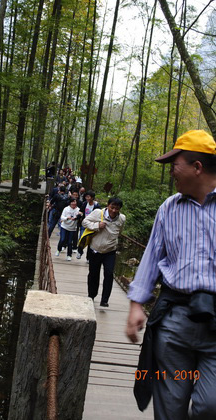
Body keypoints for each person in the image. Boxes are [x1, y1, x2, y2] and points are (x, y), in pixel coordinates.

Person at [126, 130, 216, 420]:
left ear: (197, 167)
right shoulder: (169, 208)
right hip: (174, 321)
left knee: (209, 406)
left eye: (175, 165)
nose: (171, 174)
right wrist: (136, 305)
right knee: (170, 406)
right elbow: (152, 257)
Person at [82, 197, 125, 307]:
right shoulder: (98, 213)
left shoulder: (122, 219)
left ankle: (104, 300)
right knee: (93, 274)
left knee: (109, 274)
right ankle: (91, 295)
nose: (114, 211)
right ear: (108, 205)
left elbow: (120, 231)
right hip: (95, 249)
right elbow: (85, 222)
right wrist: (96, 226)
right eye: (112, 207)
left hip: (110, 251)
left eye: (117, 208)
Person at [77, 190, 101, 259]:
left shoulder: (96, 205)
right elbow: (81, 211)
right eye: (86, 197)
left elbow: (99, 215)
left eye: (88, 197)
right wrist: (79, 215)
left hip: (92, 225)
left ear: (92, 197)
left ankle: (88, 257)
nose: (87, 198)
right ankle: (80, 252)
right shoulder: (85, 204)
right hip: (84, 224)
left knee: (90, 241)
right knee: (82, 238)